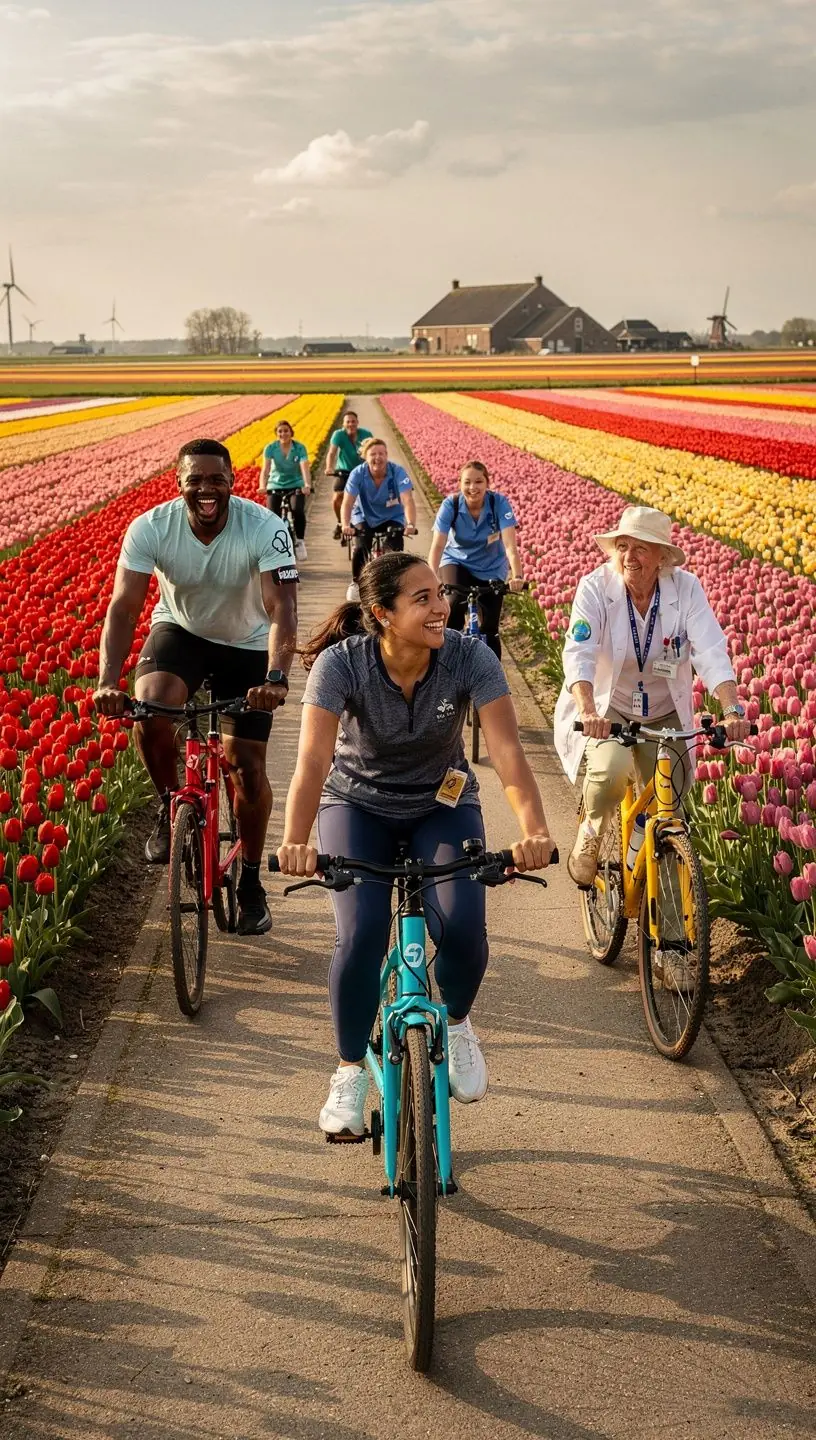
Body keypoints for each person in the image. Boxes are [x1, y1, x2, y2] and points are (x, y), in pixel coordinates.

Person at [276, 552, 556, 1138]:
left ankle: (455, 1025)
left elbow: (507, 753)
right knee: (361, 933)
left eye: (440, 594)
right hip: (356, 804)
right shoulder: (340, 665)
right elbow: (311, 761)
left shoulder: (468, 656)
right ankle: (350, 1071)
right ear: (382, 613)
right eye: (422, 598)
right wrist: (295, 840)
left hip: (442, 805)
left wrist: (534, 830)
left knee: (462, 925)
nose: (440, 608)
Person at [93, 437, 299, 936]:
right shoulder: (150, 528)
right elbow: (124, 608)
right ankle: (170, 806)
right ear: (178, 483)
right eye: (195, 480)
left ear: (232, 481)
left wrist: (275, 676)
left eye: (216, 480)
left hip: (247, 642)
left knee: (246, 768)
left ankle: (250, 879)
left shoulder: (266, 528)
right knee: (150, 708)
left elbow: (281, 608)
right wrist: (106, 681)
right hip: (179, 631)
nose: (206, 489)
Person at [553, 505, 751, 893]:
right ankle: (592, 831)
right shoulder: (596, 587)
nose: (630, 557)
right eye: (623, 546)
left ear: (662, 557)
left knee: (669, 807)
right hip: (608, 708)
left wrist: (732, 709)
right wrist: (589, 709)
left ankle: (670, 940)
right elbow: (580, 652)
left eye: (642, 548)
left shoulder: (686, 589)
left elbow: (710, 649)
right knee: (610, 772)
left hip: (663, 712)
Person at [427, 460, 525, 659]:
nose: (473, 488)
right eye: (467, 482)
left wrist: (517, 576)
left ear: (487, 483)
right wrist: (430, 578)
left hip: (491, 567)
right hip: (457, 561)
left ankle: (495, 682)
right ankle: (445, 663)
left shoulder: (498, 503)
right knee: (454, 605)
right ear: (460, 484)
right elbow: (438, 545)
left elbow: (510, 546)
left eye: (479, 481)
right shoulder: (451, 505)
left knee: (490, 627)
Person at [340, 437, 418, 603]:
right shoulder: (357, 474)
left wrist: (410, 523)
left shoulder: (397, 472)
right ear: (365, 457)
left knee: (394, 547)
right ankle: (356, 582)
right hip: (364, 515)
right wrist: (346, 525)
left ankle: (393, 582)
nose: (378, 457)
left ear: (387, 455)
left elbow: (407, 500)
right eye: (373, 454)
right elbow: (347, 502)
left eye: (382, 453)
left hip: (392, 516)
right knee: (361, 545)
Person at [259, 417, 311, 562]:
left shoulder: (299, 448)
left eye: (286, 431)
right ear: (276, 433)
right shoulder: (270, 448)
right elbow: (266, 469)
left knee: (297, 510)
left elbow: (304, 467)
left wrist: (307, 484)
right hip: (275, 484)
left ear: (291, 432)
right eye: (280, 431)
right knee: (271, 515)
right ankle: (271, 545)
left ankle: (300, 541)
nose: (283, 434)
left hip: (295, 483)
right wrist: (263, 486)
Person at [325, 410, 373, 540]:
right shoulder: (339, 435)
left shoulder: (366, 434)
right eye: (348, 422)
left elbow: (372, 451)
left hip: (362, 470)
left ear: (357, 422)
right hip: (344, 471)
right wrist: (329, 467)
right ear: (343, 424)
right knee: (337, 497)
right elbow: (332, 453)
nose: (351, 424)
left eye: (353, 421)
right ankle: (340, 522)